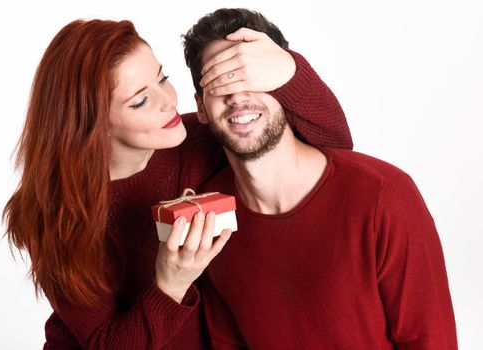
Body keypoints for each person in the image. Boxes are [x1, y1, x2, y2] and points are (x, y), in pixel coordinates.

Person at [3, 17, 352, 350]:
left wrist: (289, 70)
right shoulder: (51, 212)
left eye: (162, 77)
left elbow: (332, 147)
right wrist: (171, 283)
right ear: (93, 127)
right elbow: (105, 343)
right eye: (141, 100)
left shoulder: (196, 140)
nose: (169, 100)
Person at [183, 8, 458, 349]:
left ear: (283, 83)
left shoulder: (383, 195)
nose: (238, 96)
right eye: (219, 81)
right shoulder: (209, 218)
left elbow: (431, 340)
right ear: (200, 108)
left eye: (251, 78)